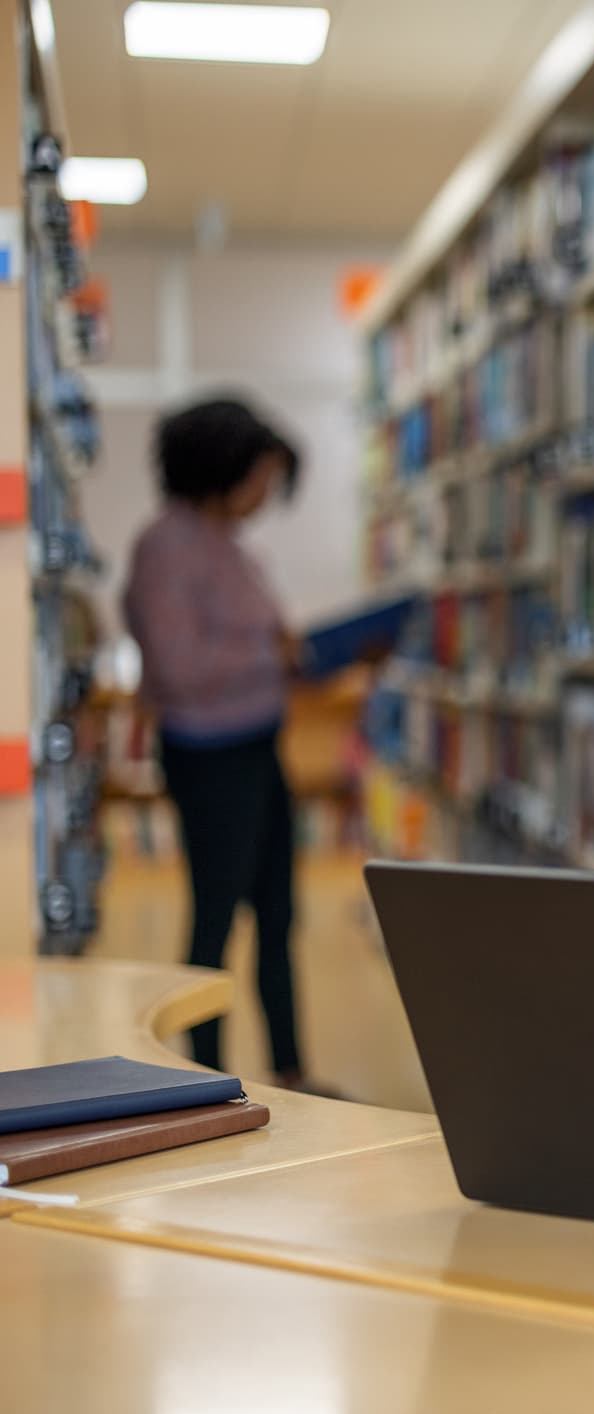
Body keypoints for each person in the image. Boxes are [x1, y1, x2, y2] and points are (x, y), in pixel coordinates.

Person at [121, 397, 313, 1089]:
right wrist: (273, 655)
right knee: (215, 918)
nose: (266, 495)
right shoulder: (166, 547)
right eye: (260, 477)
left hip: (258, 746)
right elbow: (180, 666)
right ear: (220, 468)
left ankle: (289, 1069)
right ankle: (202, 1077)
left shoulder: (229, 546)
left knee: (278, 913)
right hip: (210, 756)